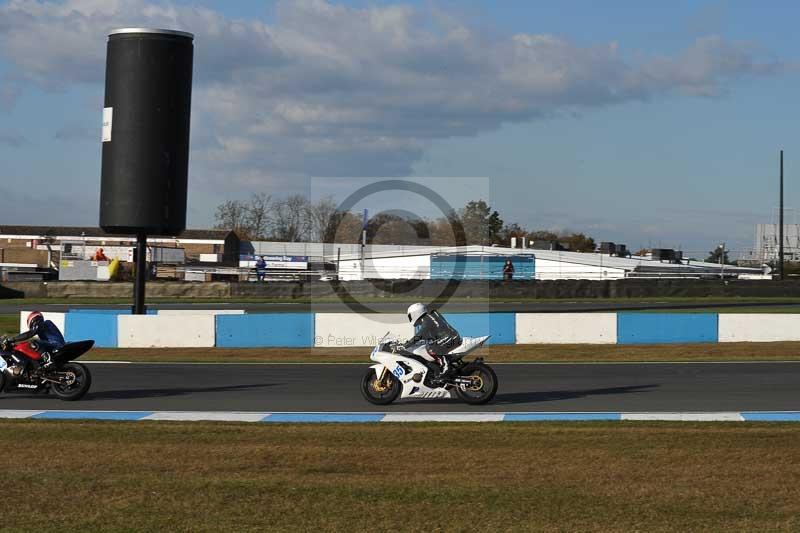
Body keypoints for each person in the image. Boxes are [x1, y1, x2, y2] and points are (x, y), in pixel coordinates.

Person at [402, 303, 462, 383]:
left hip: (450, 338)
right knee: (428, 346)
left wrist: (407, 345)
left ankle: (446, 367)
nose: (410, 318)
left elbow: (420, 335)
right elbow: (427, 335)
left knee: (431, 348)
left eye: (410, 316)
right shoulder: (430, 317)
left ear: (416, 313)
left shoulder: (427, 319)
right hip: (451, 337)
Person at [1, 311, 66, 368]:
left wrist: (13, 339)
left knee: (34, 342)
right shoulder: (43, 326)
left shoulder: (44, 323)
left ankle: (49, 360)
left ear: (33, 319)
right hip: (53, 344)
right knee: (33, 344)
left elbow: (30, 334)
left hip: (55, 343)